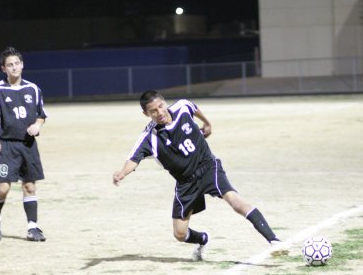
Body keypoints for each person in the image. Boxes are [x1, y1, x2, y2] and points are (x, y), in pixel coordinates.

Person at [112, 90, 289, 260]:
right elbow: (133, 159)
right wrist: (122, 173)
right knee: (180, 234)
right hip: (185, 183)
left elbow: (193, 107)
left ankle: (274, 241)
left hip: (207, 166)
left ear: (164, 102)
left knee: (235, 201)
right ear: (146, 114)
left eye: (160, 106)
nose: (159, 112)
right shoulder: (149, 137)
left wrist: (207, 122)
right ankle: (203, 239)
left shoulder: (181, 107)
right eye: (153, 111)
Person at [0, 46, 47, 241]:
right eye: (9, 65)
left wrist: (37, 125)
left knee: (29, 186)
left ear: (22, 65)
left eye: (17, 63)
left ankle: (33, 228)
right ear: (3, 68)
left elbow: (41, 115)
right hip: (6, 145)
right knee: (3, 187)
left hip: (27, 145)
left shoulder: (33, 88)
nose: (14, 67)